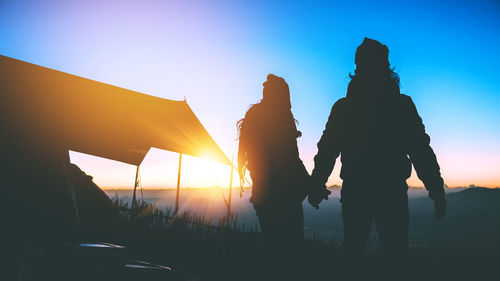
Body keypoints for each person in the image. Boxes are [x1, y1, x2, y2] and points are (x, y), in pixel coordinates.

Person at [308, 38, 447, 260]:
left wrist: (316, 184)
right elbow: (421, 151)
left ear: (357, 67)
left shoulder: (344, 108)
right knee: (395, 255)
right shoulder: (402, 106)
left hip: (356, 190)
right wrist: (436, 189)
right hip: (391, 192)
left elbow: (327, 150)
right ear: (386, 66)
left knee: (354, 253)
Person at [237, 74, 310, 252]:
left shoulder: (253, 114)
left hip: (263, 195)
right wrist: (309, 184)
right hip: (285, 195)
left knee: (272, 245)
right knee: (291, 247)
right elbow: (290, 158)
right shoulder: (281, 116)